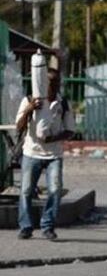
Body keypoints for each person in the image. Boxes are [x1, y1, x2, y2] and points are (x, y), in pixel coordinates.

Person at [15, 67, 75, 240]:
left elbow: (70, 130)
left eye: (57, 82)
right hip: (31, 152)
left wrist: (54, 138)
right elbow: (19, 127)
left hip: (54, 155)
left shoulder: (62, 103)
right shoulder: (29, 100)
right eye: (51, 82)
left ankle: (47, 225)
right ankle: (25, 226)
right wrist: (29, 110)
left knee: (55, 190)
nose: (54, 86)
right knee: (26, 190)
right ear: (42, 82)